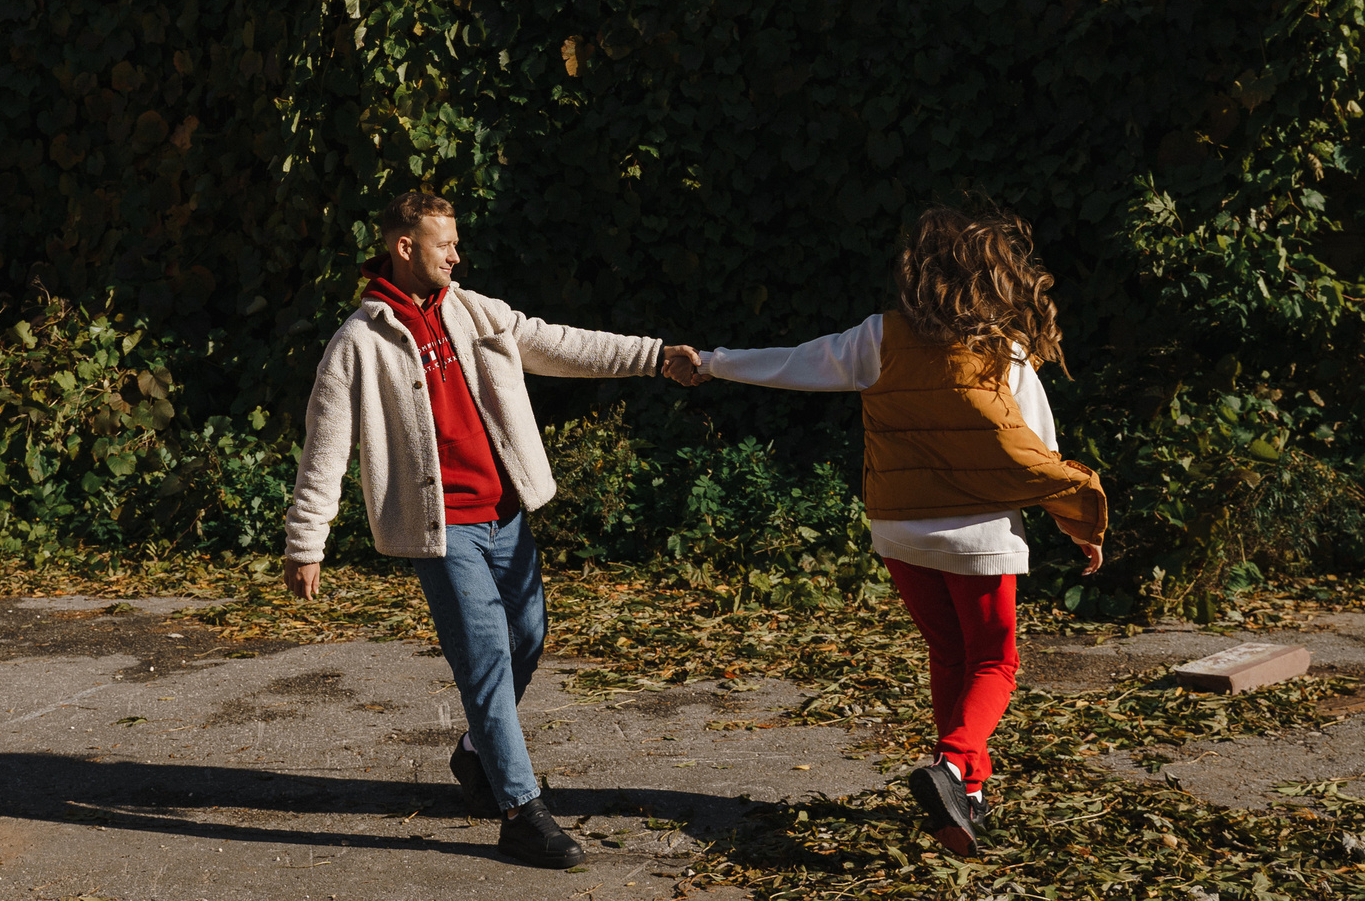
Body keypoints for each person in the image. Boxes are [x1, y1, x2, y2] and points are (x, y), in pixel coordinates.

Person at [660, 206, 1106, 857]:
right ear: (998, 278)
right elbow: (1039, 452)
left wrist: (714, 361)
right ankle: (952, 765)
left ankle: (967, 792)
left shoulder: (881, 335)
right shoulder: (1003, 352)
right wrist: (1078, 518)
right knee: (995, 660)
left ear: (921, 274)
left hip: (900, 532)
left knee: (949, 653)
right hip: (979, 537)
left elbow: (797, 362)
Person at [281, 190, 670, 869]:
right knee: (486, 657)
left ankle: (475, 754)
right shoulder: (358, 342)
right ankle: (522, 811)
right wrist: (305, 541)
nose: (457, 253)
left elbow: (561, 343)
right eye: (445, 243)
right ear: (406, 247)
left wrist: (656, 355)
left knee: (526, 637)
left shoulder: (473, 309)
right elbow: (326, 447)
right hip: (443, 531)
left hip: (506, 515)